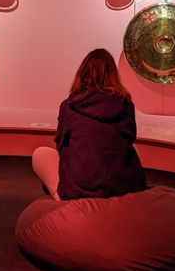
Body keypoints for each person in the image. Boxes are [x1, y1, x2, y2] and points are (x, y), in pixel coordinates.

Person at [32, 48, 146, 200]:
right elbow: (129, 138)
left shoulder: (69, 105)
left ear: (82, 73)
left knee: (40, 154)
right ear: (113, 75)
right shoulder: (125, 103)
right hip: (121, 188)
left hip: (79, 190)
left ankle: (62, 199)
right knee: (132, 149)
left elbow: (61, 145)